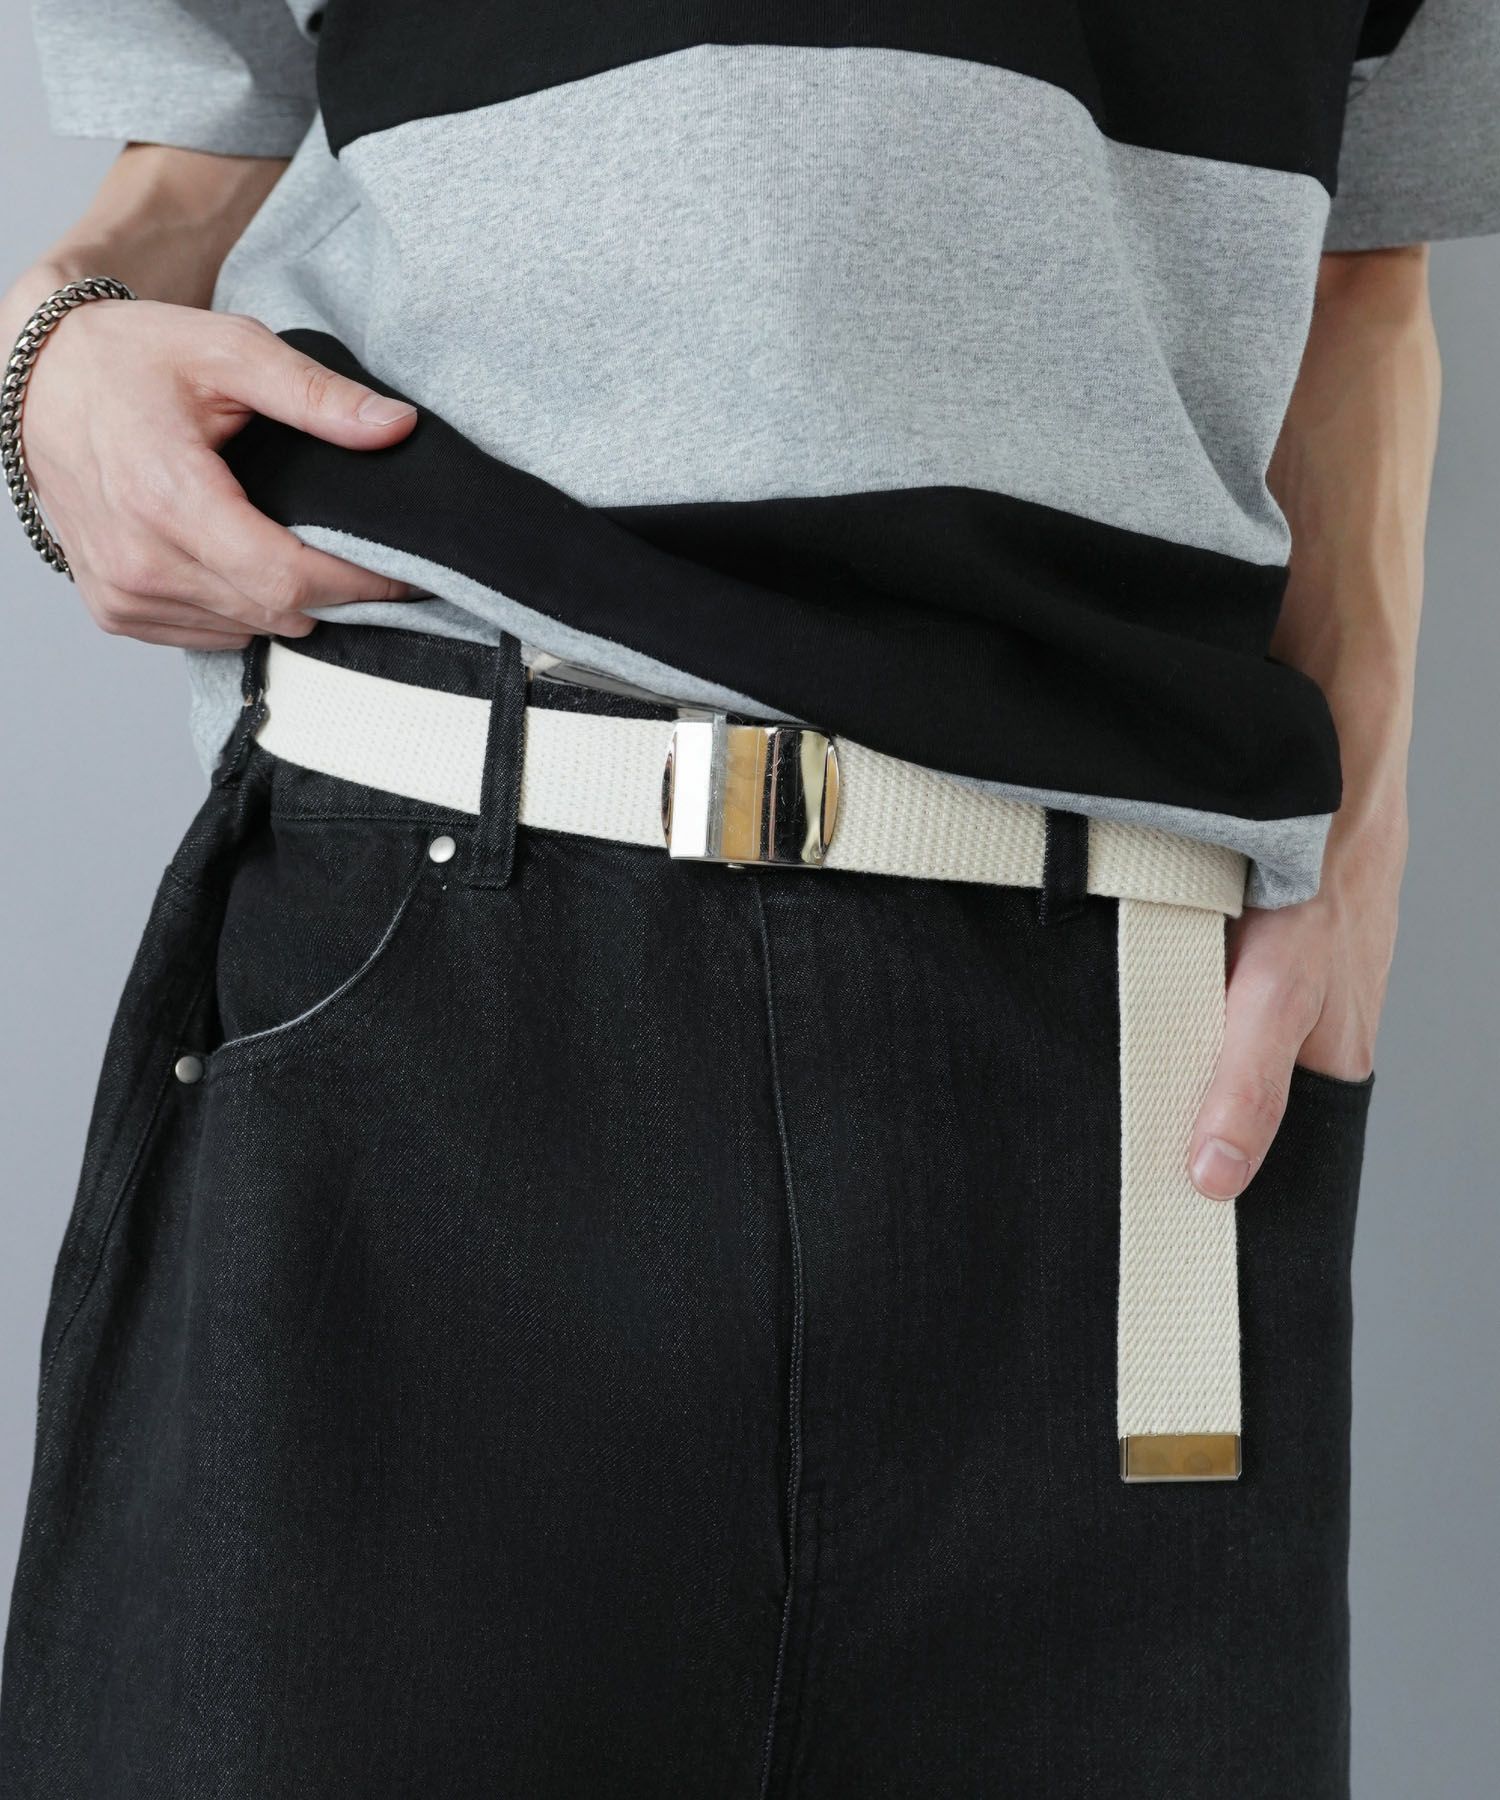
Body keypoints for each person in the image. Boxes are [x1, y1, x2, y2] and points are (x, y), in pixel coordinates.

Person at [0, 2, 1495, 1793]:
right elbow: (211, 136)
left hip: (1110, 1089)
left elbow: (1358, 269)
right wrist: (46, 351)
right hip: (431, 986)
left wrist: (1355, 871)